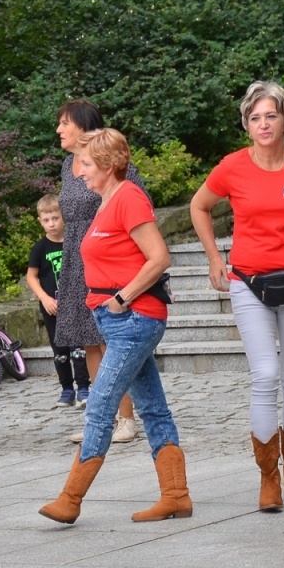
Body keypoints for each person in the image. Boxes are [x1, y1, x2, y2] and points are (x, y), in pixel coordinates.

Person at [189, 82, 284, 512]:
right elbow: (199, 206)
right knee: (265, 374)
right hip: (248, 281)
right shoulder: (232, 167)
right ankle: (268, 477)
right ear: (247, 125)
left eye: (271, 115)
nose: (263, 124)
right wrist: (214, 258)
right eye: (255, 118)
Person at [39, 128, 190, 525]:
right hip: (116, 319)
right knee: (153, 408)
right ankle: (176, 496)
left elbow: (159, 257)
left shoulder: (128, 197)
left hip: (135, 317)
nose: (80, 172)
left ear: (108, 165)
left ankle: (70, 499)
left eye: (87, 164)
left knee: (101, 404)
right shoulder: (106, 201)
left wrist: (122, 297)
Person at [54, 100, 145, 445]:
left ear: (83, 125)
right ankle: (101, 419)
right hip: (76, 259)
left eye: (65, 123)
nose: (59, 130)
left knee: (112, 341)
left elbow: (138, 206)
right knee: (89, 340)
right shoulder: (67, 166)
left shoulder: (112, 161)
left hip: (109, 257)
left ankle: (127, 419)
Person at [26, 194, 91, 408]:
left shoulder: (74, 243)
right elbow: (31, 276)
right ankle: (66, 388)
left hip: (76, 305)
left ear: (64, 217)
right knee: (60, 350)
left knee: (79, 347)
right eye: (46, 220)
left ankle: (84, 387)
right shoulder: (40, 248)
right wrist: (44, 298)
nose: (51, 224)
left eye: (55, 218)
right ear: (40, 221)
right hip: (52, 307)